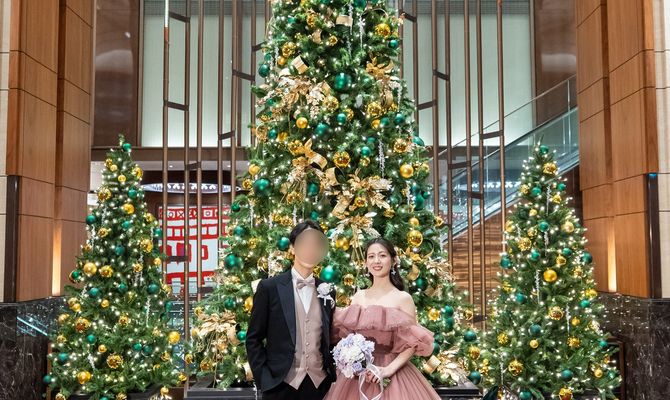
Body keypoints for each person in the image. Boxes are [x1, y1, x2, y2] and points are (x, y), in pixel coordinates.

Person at [325, 237, 441, 400]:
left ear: (393, 260)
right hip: (359, 375)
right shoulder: (359, 296)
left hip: (392, 373)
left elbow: (413, 343)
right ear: (366, 262)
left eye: (382, 255)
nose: (376, 261)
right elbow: (348, 337)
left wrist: (388, 370)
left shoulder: (403, 298)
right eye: (371, 256)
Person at [246, 220, 337, 400]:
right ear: (292, 248)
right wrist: (265, 378)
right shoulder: (269, 288)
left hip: (319, 385)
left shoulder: (327, 291)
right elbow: (253, 338)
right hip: (280, 385)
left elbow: (329, 337)